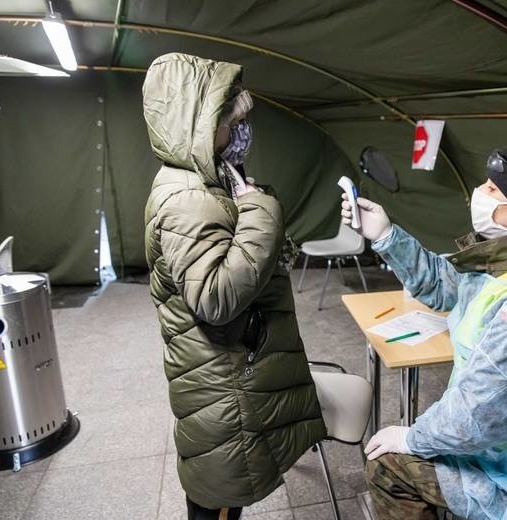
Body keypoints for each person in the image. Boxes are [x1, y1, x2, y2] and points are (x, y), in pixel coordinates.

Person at [341, 142, 507, 520]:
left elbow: (475, 418)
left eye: (493, 189)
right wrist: (386, 235)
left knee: (389, 465)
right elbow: (444, 284)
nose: (478, 194)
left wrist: (411, 437)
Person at [143, 53, 326, 520]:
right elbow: (216, 298)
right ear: (198, 123)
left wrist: (256, 213)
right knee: (219, 486)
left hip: (226, 373)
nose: (243, 130)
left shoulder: (212, 176)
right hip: (221, 380)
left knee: (224, 481)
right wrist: (262, 213)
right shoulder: (187, 198)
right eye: (234, 120)